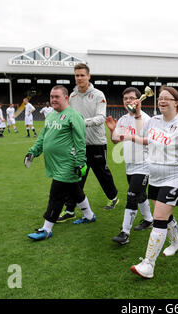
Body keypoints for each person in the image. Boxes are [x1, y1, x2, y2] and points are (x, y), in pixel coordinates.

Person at [129, 85, 178, 279]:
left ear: (176, 103)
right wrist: (137, 114)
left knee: (159, 217)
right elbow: (143, 136)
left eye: (166, 99)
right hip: (155, 175)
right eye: (160, 98)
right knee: (164, 214)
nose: (162, 101)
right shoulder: (153, 121)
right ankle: (177, 242)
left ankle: (148, 264)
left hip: (176, 176)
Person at [25, 85, 96, 241]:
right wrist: (33, 152)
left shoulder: (74, 116)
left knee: (56, 195)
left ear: (66, 97)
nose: (53, 100)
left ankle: (46, 228)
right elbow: (43, 137)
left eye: (56, 97)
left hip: (68, 164)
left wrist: (79, 163)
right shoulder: (50, 116)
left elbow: (80, 141)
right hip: (55, 164)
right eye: (51, 97)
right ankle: (89, 216)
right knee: (75, 191)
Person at [58, 63, 119, 222]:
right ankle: (70, 209)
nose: (79, 78)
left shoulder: (98, 95)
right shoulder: (72, 96)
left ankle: (113, 197)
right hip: (78, 144)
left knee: (102, 174)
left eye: (82, 75)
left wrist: (81, 123)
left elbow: (100, 118)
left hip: (97, 142)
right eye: (76, 75)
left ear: (88, 76)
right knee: (76, 176)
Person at [105, 87, 154, 245]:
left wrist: (137, 116)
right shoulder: (122, 119)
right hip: (129, 164)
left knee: (132, 196)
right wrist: (113, 130)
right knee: (140, 195)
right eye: (125, 98)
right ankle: (148, 220)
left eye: (131, 98)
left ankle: (124, 233)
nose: (128, 101)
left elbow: (147, 139)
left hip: (144, 164)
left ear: (138, 100)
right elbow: (115, 140)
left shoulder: (146, 119)